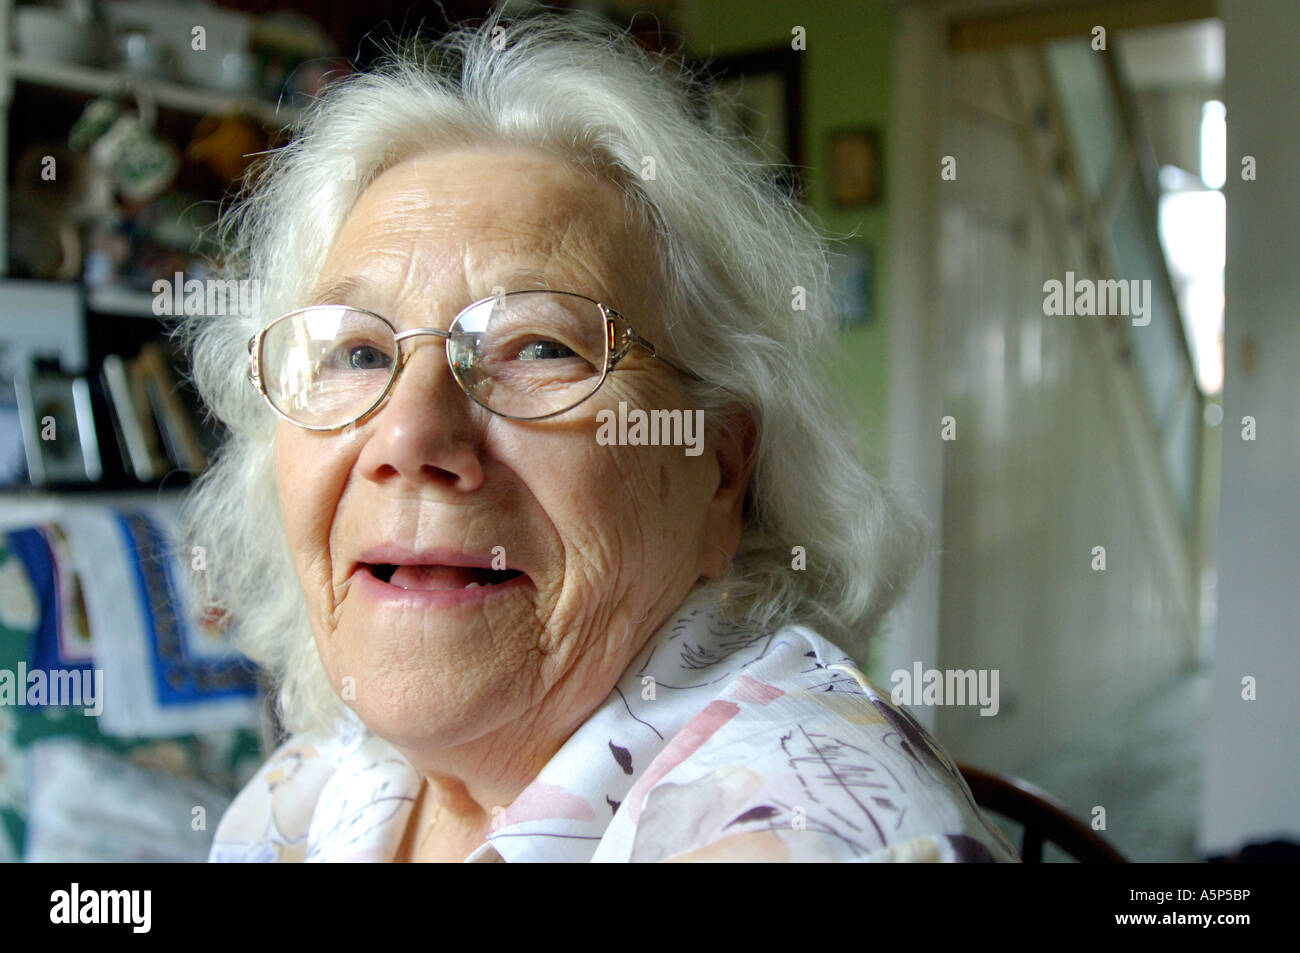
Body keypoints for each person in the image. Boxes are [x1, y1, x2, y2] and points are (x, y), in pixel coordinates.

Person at [183, 11, 1018, 863]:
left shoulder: (800, 834)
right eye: (358, 352)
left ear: (721, 470)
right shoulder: (318, 783)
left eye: (539, 347)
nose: (409, 432)